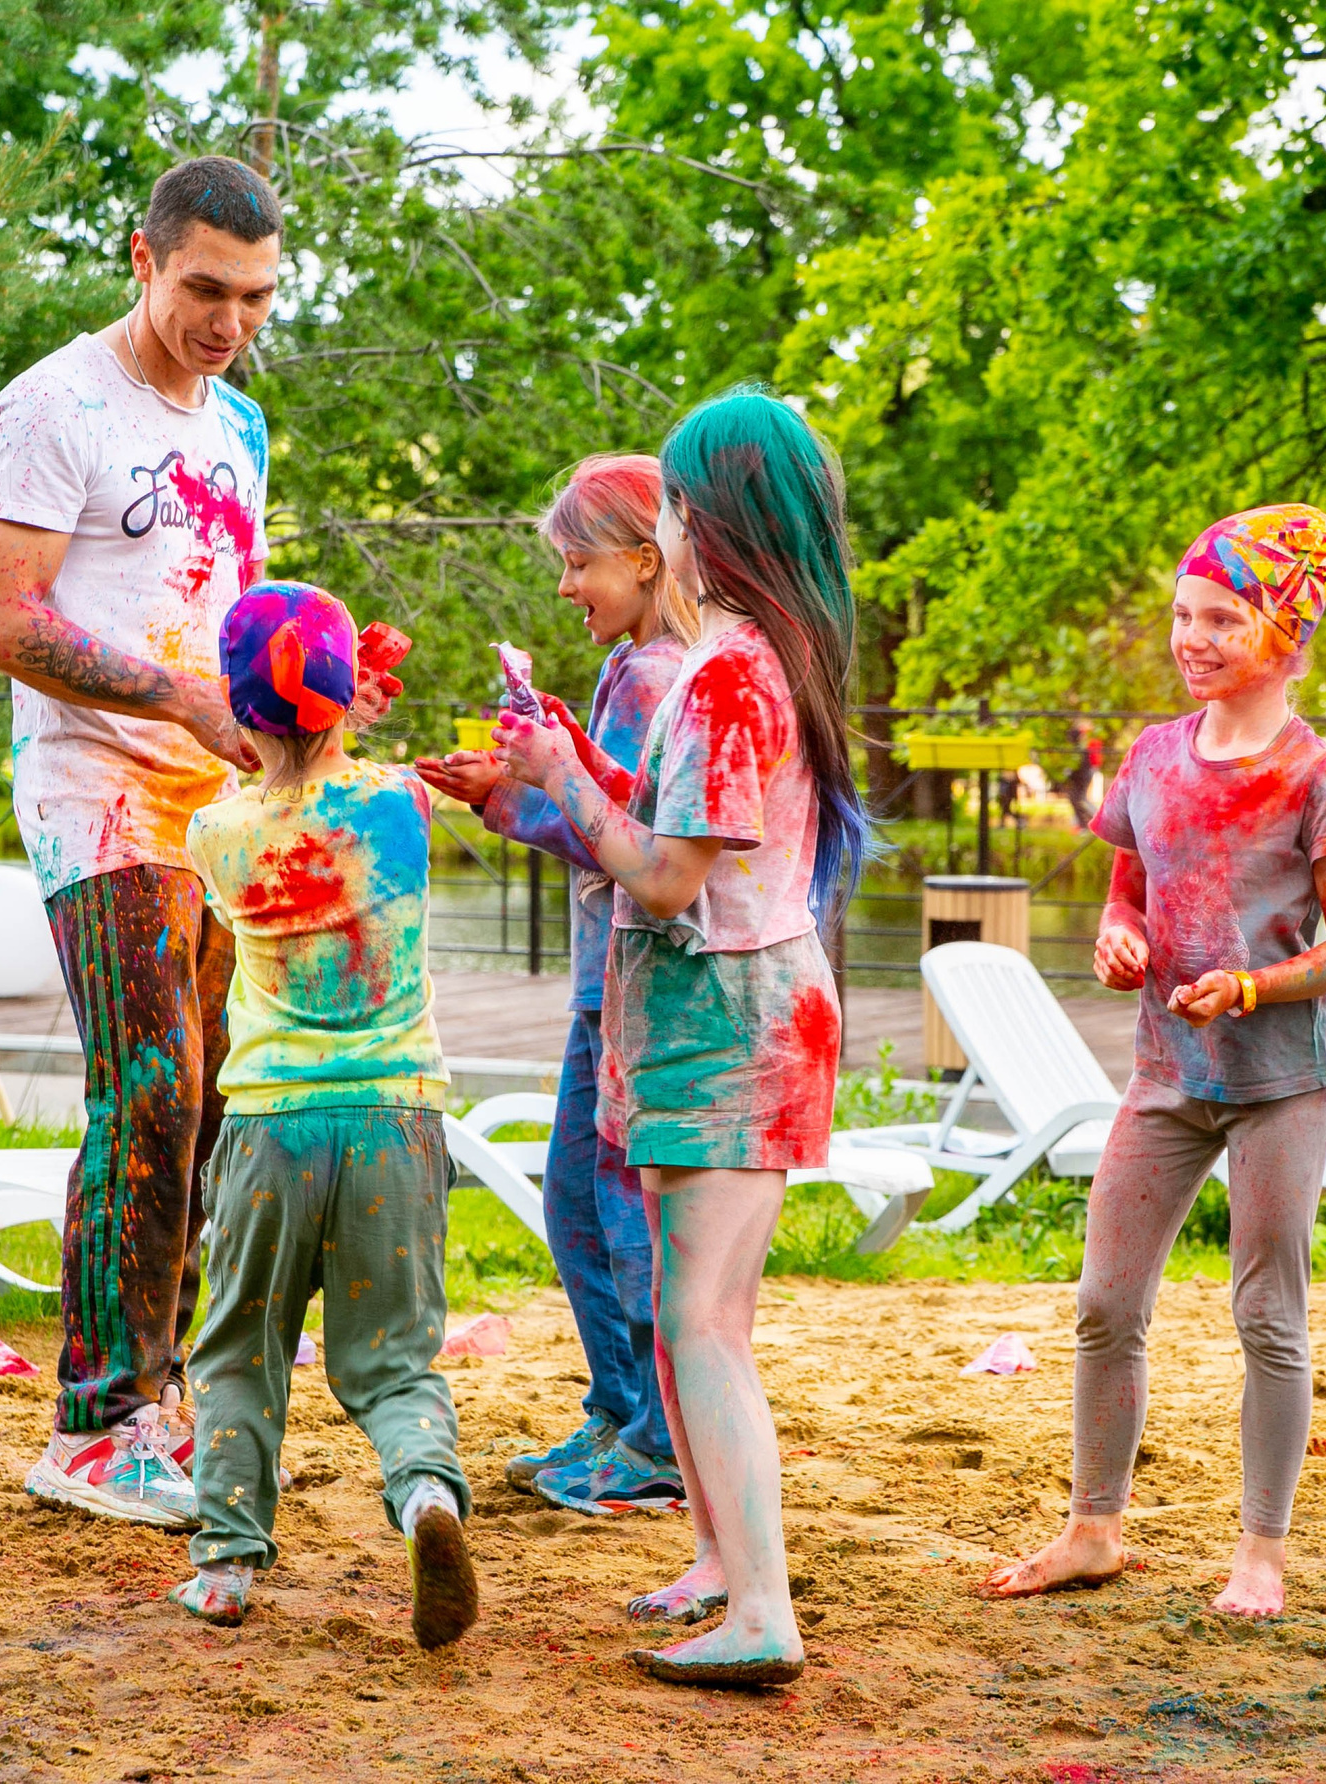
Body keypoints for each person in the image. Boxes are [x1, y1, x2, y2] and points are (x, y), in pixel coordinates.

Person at [492, 386, 869, 1689]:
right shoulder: (758, 657)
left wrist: (559, 781)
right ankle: (718, 1561)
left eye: (670, 507)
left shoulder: (728, 673)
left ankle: (761, 1607)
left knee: (701, 1320)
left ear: (705, 522)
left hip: (731, 1025)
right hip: (718, 1018)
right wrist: (560, 775)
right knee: (690, 1313)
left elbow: (663, 880)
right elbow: (665, 838)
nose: (660, 526)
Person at [0, 155, 322, 1526]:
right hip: (95, 791)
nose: (231, 321)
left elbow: (228, 610)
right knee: (151, 1087)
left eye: (258, 296)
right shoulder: (52, 406)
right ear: (143, 258)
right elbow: (3, 622)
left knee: (218, 1097)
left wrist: (301, 692)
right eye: (206, 289)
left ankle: (168, 1394)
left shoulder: (241, 425)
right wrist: (174, 694)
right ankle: (97, 1423)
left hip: (213, 797)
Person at [975, 505, 1326, 1618]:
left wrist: (1250, 986)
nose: (1192, 638)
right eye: (1182, 615)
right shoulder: (1154, 756)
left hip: (1277, 1088)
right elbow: (1126, 891)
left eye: (1221, 619)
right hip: (1163, 1078)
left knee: (1268, 1319)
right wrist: (1118, 937)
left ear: (1286, 639)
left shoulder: (1318, 774)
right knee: (1105, 1303)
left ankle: (1261, 1552)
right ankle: (1092, 1528)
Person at [168, 582, 477, 1649]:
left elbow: (276, 774)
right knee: (393, 1358)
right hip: (397, 1113)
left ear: (236, 706)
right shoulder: (406, 805)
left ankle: (225, 1562)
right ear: (350, 700)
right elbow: (351, 773)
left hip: (271, 1124)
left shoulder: (217, 831)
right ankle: (426, 1493)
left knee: (239, 1344)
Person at [415, 455, 697, 1514]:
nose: (567, 585)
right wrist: (512, 779)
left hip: (627, 983)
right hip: (602, 983)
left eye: (581, 563)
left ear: (644, 558)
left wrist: (509, 797)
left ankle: (656, 1434)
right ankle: (622, 1409)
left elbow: (611, 828)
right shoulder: (637, 664)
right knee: (579, 1198)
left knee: (609, 1207)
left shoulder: (654, 673)